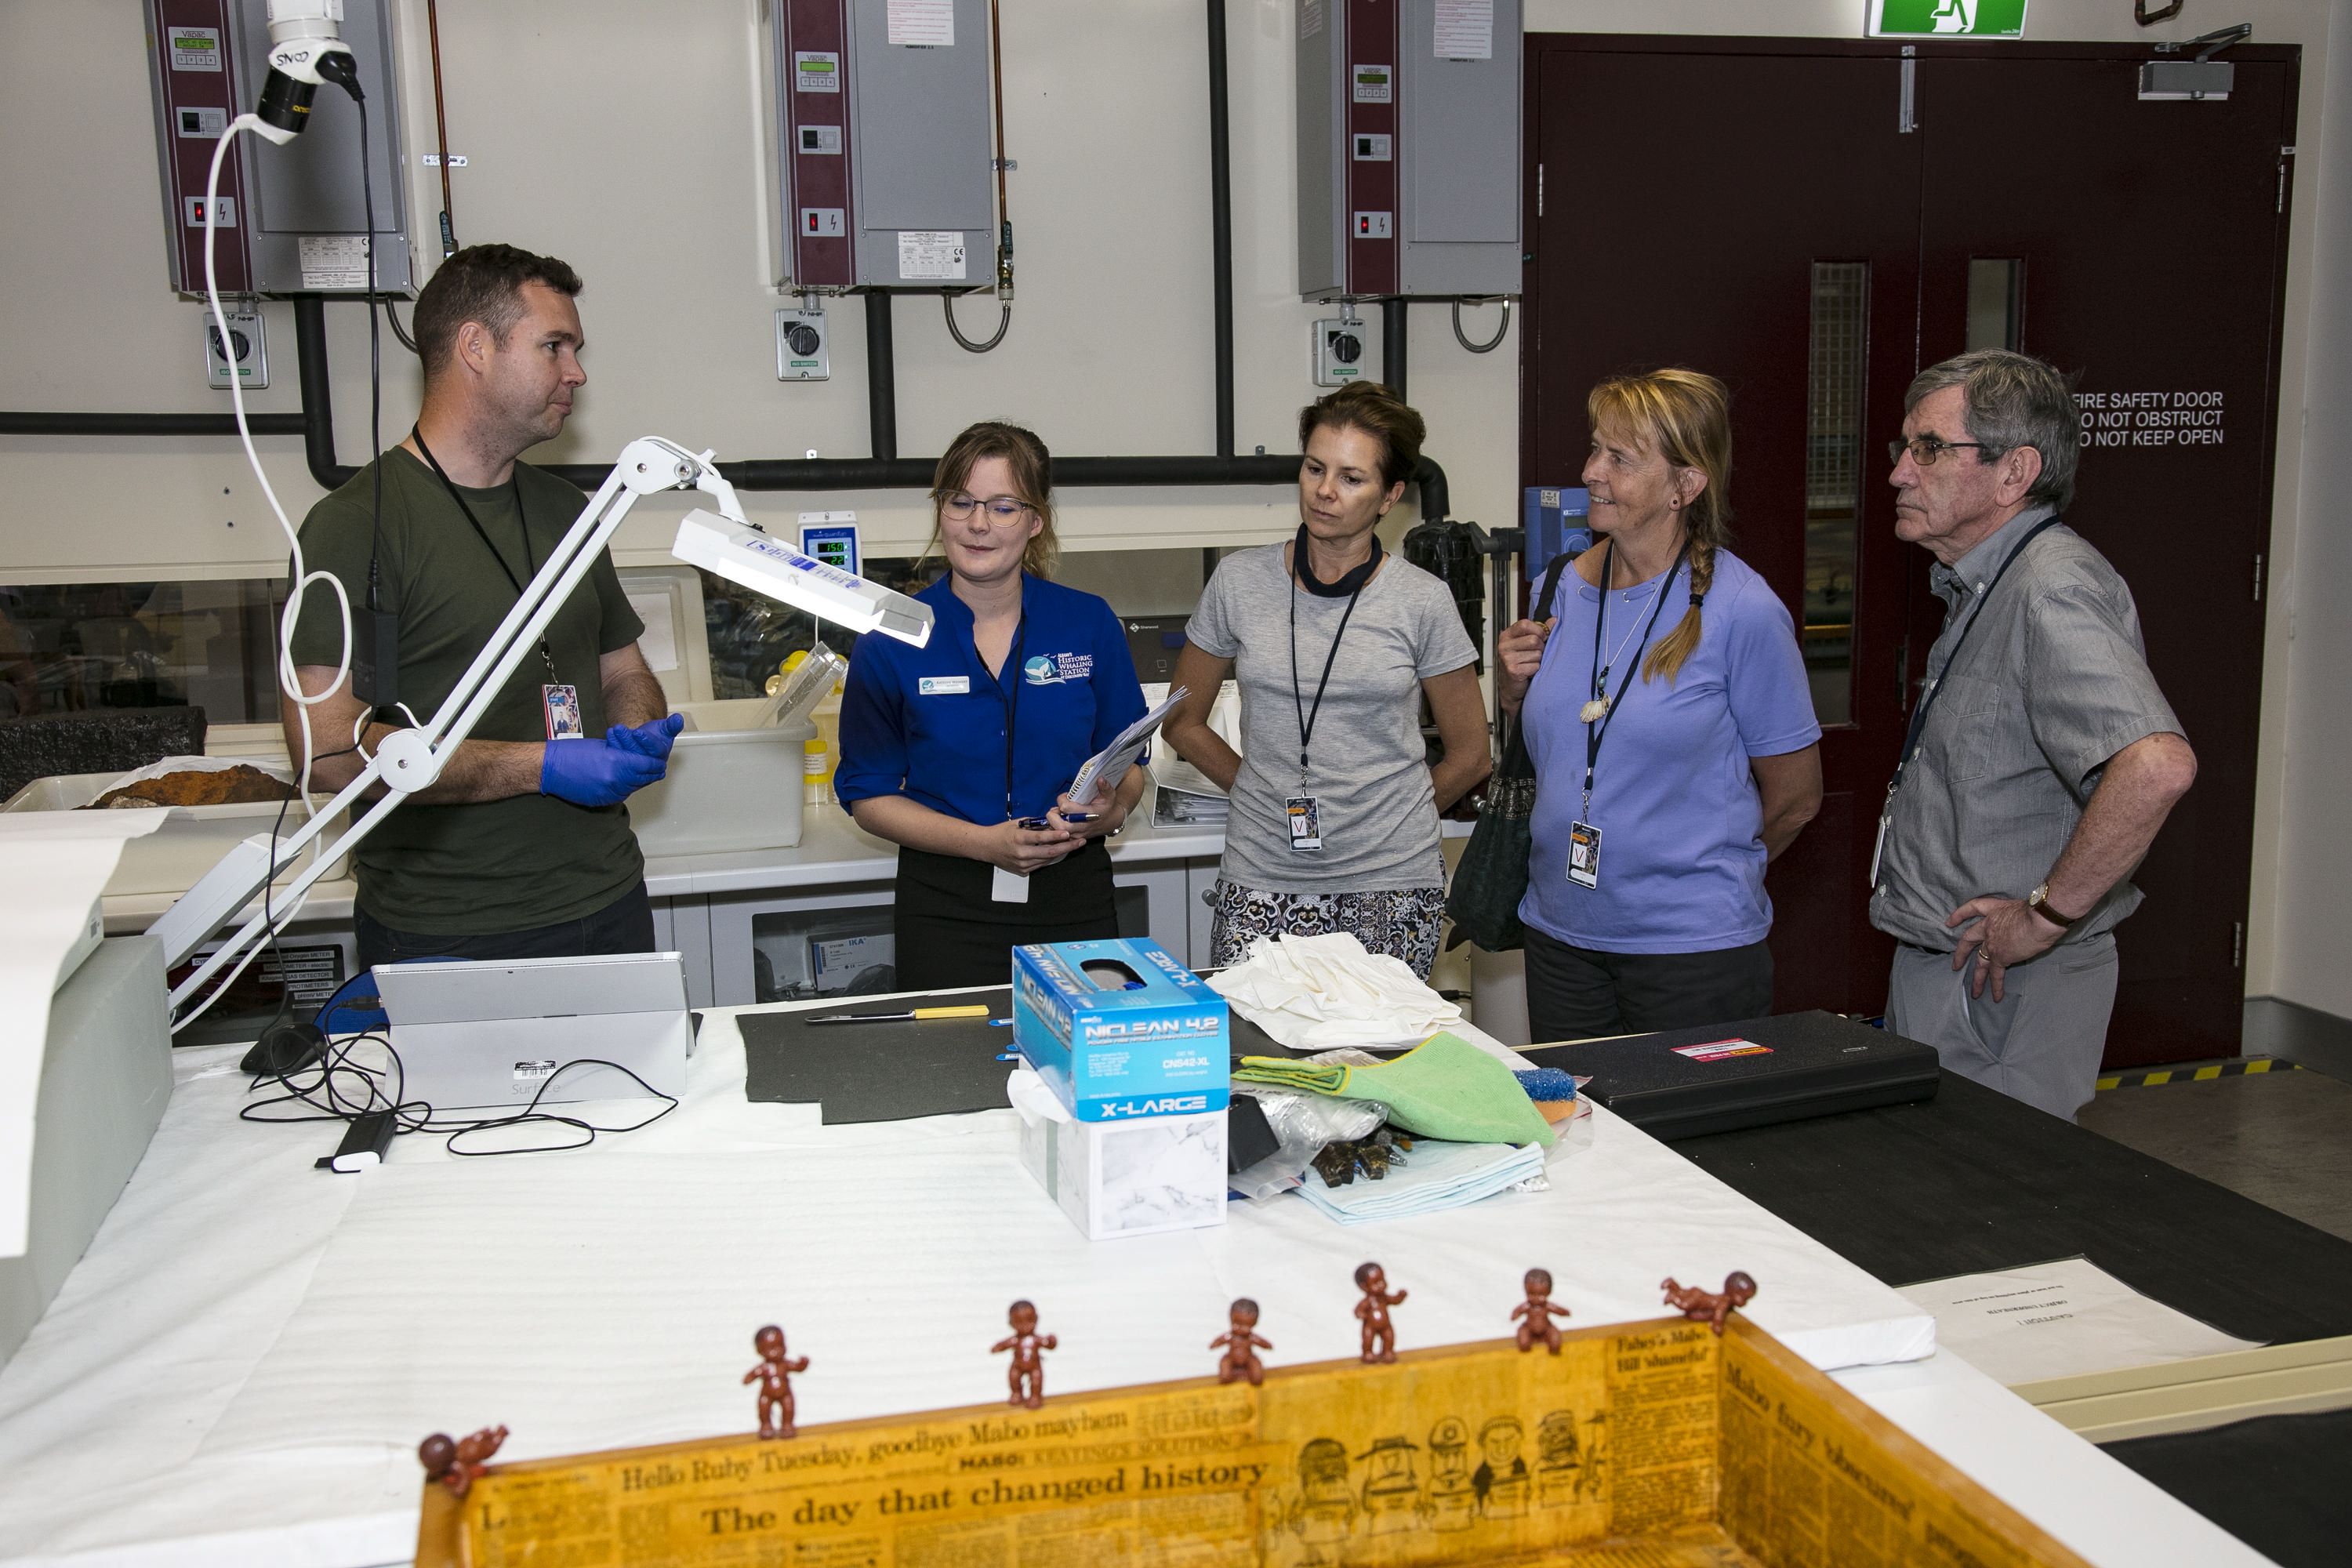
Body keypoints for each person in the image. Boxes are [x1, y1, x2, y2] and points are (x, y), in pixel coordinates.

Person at [285, 244, 681, 973]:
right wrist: (545, 766)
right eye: (553, 346)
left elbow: (621, 668)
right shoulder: (359, 524)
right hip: (446, 929)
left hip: (606, 901)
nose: (577, 372)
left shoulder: (571, 513)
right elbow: (330, 753)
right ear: (475, 346)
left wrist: (635, 730)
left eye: (576, 349)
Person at [1872, 349, 2197, 1120]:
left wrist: (2043, 917)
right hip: (1960, 971)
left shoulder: (2050, 589)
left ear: (2015, 471)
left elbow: (2156, 766)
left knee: (1994, 1214)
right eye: (1903, 447)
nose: (1899, 473)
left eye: (1929, 449)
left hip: (2003, 983)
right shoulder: (1987, 585)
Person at [1496, 369, 1822, 1042]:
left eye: (1619, 459)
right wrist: (1511, 690)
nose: (1591, 472)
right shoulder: (1554, 587)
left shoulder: (1742, 611)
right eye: (1594, 450)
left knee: (1693, 1144)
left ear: (1685, 485)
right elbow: (1557, 742)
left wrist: (1694, 871)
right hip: (1562, 938)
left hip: (1691, 954)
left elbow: (1795, 798)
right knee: (1582, 1138)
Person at [1163, 383, 1490, 979]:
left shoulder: (1422, 601)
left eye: (1351, 478)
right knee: (1256, 1061)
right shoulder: (1239, 583)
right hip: (1261, 876)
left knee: (1376, 1063)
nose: (1324, 491)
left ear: (1390, 495)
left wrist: (1396, 821)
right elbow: (1181, 721)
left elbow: (1471, 754)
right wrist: (1258, 791)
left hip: (1389, 884)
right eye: (1315, 468)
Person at [834, 422, 1149, 990]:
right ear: (941, 512)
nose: (978, 523)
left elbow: (1128, 766)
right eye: (961, 502)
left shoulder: (1089, 623)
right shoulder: (891, 638)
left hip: (1073, 892)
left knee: (1088, 1066)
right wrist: (984, 844)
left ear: (1035, 521)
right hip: (946, 904)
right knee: (954, 1069)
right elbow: (868, 795)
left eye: (1003, 507)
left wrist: (1113, 810)